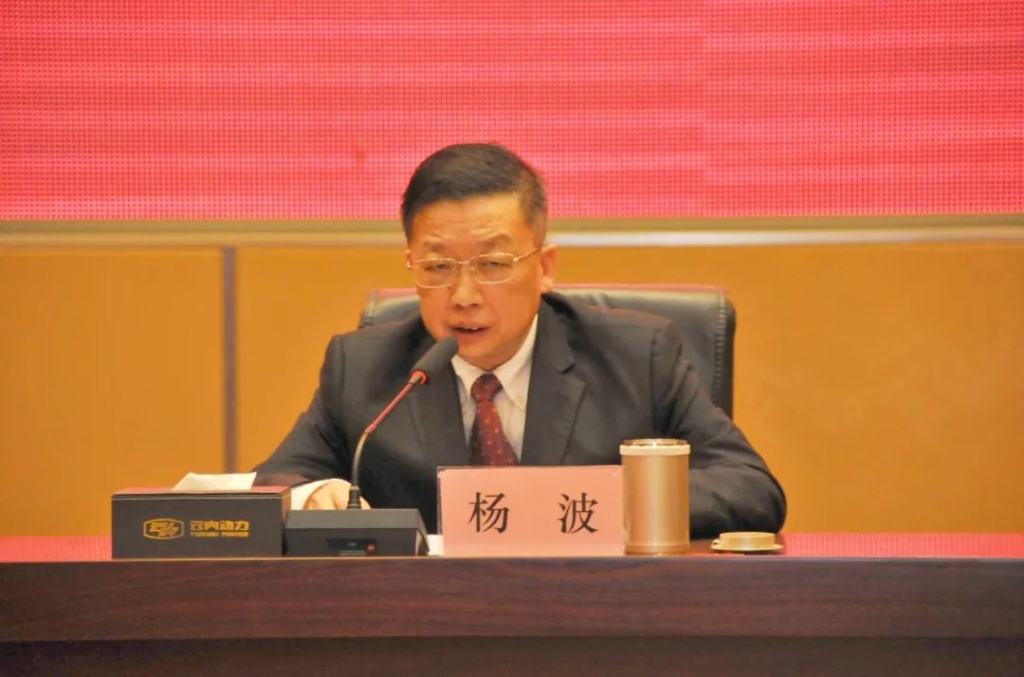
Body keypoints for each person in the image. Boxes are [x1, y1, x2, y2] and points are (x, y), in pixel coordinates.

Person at [254, 143, 786, 537]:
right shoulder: (363, 367)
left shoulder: (637, 357)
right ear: (411, 264)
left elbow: (750, 487)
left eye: (493, 264)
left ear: (544, 267)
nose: (464, 296)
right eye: (438, 267)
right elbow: (271, 485)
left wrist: (596, 503)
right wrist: (311, 494)